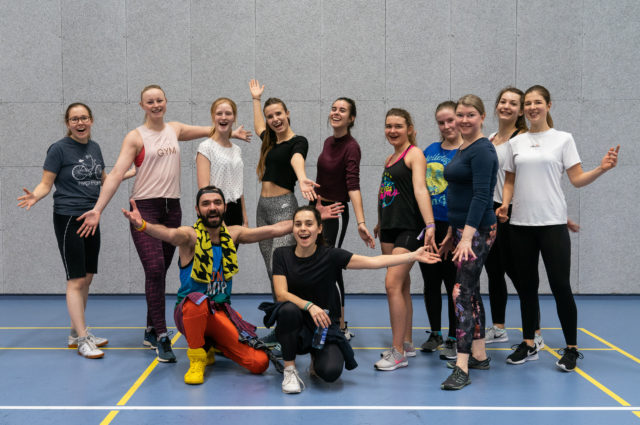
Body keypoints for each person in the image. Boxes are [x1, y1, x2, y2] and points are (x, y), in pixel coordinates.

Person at [76, 85, 250, 363]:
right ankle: (160, 335)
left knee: (160, 271)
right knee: (155, 269)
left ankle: (149, 328)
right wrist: (98, 209)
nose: (155, 105)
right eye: (150, 101)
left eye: (159, 100)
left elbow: (211, 129)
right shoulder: (135, 137)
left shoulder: (175, 129)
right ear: (142, 105)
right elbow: (117, 173)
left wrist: (232, 133)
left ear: (166, 103)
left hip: (173, 208)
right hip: (144, 208)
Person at [497, 85, 619, 372]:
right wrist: (504, 204)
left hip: (552, 225)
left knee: (561, 287)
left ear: (549, 105)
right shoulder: (516, 142)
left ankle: (572, 349)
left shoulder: (563, 139)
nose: (532, 107)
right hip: (520, 226)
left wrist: (601, 168)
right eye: (528, 103)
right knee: (526, 288)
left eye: (537, 102)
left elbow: (576, 179)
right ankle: (528, 343)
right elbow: (510, 181)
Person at [267, 205, 441, 393]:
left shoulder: (331, 255)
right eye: (298, 224)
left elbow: (373, 262)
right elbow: (281, 294)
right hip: (296, 325)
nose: (303, 228)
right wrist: (310, 306)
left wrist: (412, 255)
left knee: (330, 372)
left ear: (319, 228)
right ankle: (290, 369)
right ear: (293, 229)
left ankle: (316, 358)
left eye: (309, 224)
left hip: (323, 326)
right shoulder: (281, 255)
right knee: (287, 309)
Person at [18, 103, 128, 359]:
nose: (80, 123)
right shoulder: (58, 149)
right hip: (69, 217)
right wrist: (36, 195)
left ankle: (76, 332)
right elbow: (46, 184)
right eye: (74, 119)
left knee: (87, 278)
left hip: (92, 217)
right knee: (76, 279)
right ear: (67, 123)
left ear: (91, 120)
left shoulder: (95, 147)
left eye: (84, 118)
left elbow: (103, 179)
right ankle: (81, 338)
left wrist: (129, 172)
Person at [439, 94, 498, 390]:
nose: (463, 120)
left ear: (482, 116)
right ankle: (479, 354)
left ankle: (462, 366)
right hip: (462, 229)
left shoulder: (483, 150)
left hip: (477, 231)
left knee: (460, 293)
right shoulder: (465, 147)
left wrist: (466, 236)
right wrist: (453, 231)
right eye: (460, 114)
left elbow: (481, 196)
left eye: (470, 115)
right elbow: (459, 193)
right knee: (471, 291)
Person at [373, 108, 437, 371]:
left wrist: (430, 223)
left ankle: (397, 352)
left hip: (409, 229)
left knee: (391, 284)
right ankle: (407, 341)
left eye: (398, 126)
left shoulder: (415, 154)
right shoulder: (390, 157)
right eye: (388, 126)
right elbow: (388, 192)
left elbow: (420, 189)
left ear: (410, 128)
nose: (392, 131)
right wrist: (380, 221)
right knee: (402, 286)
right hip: (389, 228)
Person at [249, 79, 320, 294]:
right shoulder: (269, 141)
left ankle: (296, 315)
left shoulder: (298, 141)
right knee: (270, 269)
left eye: (278, 114)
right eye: (270, 116)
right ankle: (282, 319)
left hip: (284, 207)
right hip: (263, 208)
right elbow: (259, 126)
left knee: (279, 265)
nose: (274, 119)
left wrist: (302, 177)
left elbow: (296, 159)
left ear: (287, 113)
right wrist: (256, 99)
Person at [314, 97, 375, 339]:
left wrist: (361, 222)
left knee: (331, 264)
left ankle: (340, 325)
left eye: (342, 110)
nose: (336, 113)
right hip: (317, 210)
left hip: (336, 212)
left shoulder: (352, 147)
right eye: (333, 108)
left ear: (351, 118)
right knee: (317, 263)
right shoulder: (329, 141)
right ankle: (321, 316)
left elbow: (353, 186)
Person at [419, 101, 463, 360]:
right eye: (441, 122)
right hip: (430, 226)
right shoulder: (430, 150)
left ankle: (453, 336)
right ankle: (435, 333)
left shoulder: (467, 150)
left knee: (452, 284)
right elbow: (420, 187)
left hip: (455, 227)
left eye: (450, 120)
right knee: (430, 282)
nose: (446, 126)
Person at [196, 97, 249, 226]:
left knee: (233, 247)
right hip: (215, 210)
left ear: (234, 117)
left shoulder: (237, 149)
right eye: (219, 113)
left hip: (235, 210)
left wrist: (245, 218)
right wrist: (220, 222)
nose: (223, 117)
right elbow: (204, 190)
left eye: (228, 113)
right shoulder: (206, 147)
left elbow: (238, 187)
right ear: (213, 117)